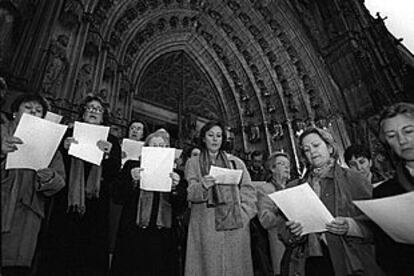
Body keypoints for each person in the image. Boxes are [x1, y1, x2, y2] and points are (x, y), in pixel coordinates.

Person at [279, 127, 384, 276]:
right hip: (310, 261)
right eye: (306, 150)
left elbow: (377, 223)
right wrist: (294, 232)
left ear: (329, 147)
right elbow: (283, 231)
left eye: (316, 145)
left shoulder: (354, 179)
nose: (313, 152)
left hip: (348, 258)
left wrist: (350, 226)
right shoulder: (295, 187)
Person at [38, 95, 121, 275]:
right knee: (61, 243)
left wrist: (108, 155)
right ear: (82, 112)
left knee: (90, 249)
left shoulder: (112, 141)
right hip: (68, 198)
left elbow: (114, 173)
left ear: (103, 116)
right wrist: (64, 149)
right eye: (89, 108)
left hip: (95, 202)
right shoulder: (69, 133)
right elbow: (52, 163)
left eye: (98, 109)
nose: (93, 111)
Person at [1, 94, 65, 276]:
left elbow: (59, 182)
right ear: (15, 112)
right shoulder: (2, 132)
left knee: (14, 268)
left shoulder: (50, 145)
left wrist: (48, 177)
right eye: (28, 108)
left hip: (26, 216)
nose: (33, 113)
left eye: (38, 111)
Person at [184, 120, 257, 276]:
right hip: (205, 224)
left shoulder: (236, 162)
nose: (215, 139)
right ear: (203, 138)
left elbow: (248, 191)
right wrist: (202, 186)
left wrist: (244, 214)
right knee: (206, 268)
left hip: (235, 224)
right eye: (210, 135)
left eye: (219, 136)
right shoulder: (193, 163)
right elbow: (190, 193)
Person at [110, 129, 187, 276]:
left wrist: (176, 188)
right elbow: (117, 196)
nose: (159, 149)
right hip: (133, 233)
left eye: (163, 146)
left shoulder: (177, 174)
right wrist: (131, 180)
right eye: (154, 145)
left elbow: (181, 207)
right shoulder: (132, 166)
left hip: (162, 237)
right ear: (146, 149)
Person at [373, 102, 414, 276]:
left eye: (409, 131)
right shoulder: (384, 194)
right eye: (392, 135)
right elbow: (386, 257)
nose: (402, 141)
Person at [257, 151, 291, 276]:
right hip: (279, 241)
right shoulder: (265, 189)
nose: (286, 167)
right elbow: (265, 220)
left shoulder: (294, 187)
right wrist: (281, 211)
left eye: (288, 165)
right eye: (281, 164)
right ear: (272, 168)